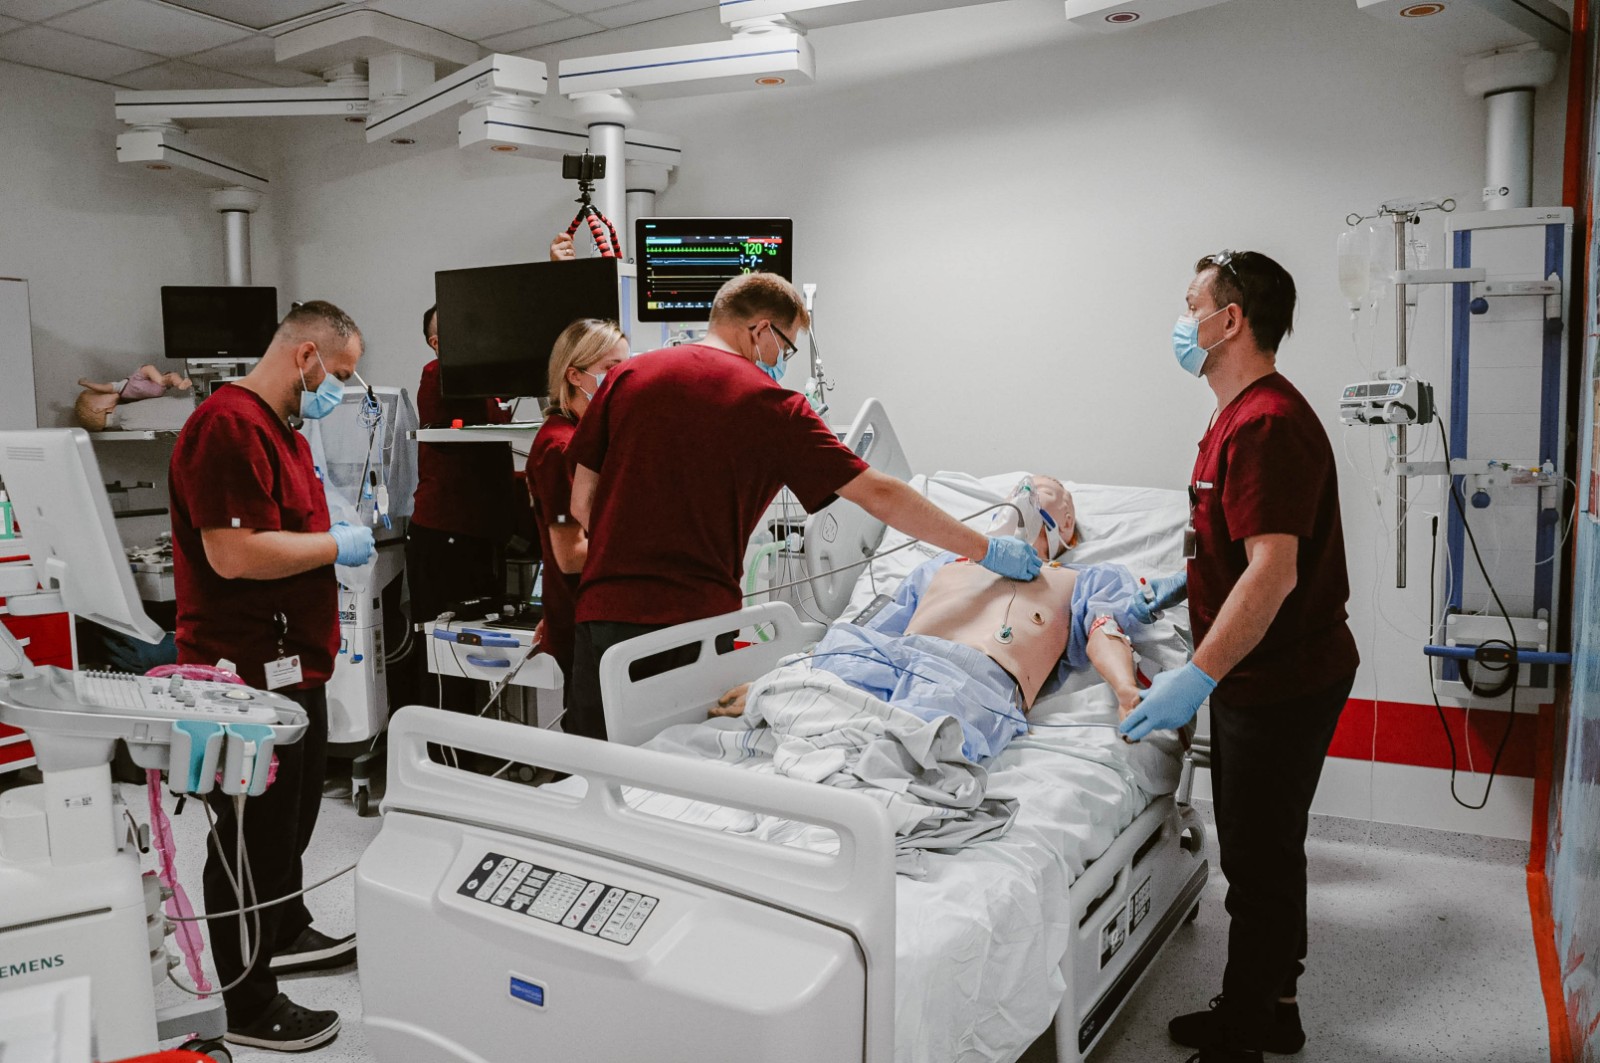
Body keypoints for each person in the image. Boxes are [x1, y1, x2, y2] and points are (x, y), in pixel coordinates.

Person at [564, 271, 1043, 741]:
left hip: (600, 617)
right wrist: (986, 549)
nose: (782, 362)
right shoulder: (772, 406)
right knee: (673, 768)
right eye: (786, 347)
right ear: (760, 330)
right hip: (690, 629)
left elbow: (582, 504)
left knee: (588, 769)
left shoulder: (627, 376)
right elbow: (880, 494)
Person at [1118, 250, 1360, 1063]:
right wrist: (1177, 584)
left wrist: (1199, 673)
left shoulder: (1266, 423)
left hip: (1281, 676)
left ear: (1230, 320)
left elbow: (1274, 572)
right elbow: (1232, 539)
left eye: (1191, 304)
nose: (1180, 321)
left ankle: (1251, 1030)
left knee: (1258, 857)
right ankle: (1270, 1006)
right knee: (1263, 848)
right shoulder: (1237, 415)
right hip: (1267, 668)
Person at [168, 300, 376, 1053]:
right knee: (250, 837)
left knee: (291, 820)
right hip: (246, 670)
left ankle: (283, 927)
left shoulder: (281, 429)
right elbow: (234, 554)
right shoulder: (227, 427)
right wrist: (334, 545)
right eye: (339, 374)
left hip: (293, 665)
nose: (339, 390)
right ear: (306, 356)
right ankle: (247, 1003)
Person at [713, 476, 1156, 763]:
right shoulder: (947, 562)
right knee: (807, 685)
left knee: (913, 748)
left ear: (1067, 523)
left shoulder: (1085, 578)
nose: (1021, 495)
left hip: (973, 677)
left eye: (1041, 491)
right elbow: (876, 629)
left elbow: (1106, 630)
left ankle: (847, 769)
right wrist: (795, 673)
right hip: (891, 655)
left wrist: (1124, 689)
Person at [407, 233, 574, 708]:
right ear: (439, 342)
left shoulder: (485, 384)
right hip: (446, 535)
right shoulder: (440, 374)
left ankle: (474, 739)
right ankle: (440, 743)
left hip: (480, 534)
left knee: (479, 648)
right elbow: (465, 446)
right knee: (449, 654)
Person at [525, 318, 630, 691]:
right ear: (574, 375)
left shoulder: (582, 439)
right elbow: (570, 555)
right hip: (584, 622)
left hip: (583, 614)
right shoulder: (561, 448)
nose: (621, 382)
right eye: (611, 370)